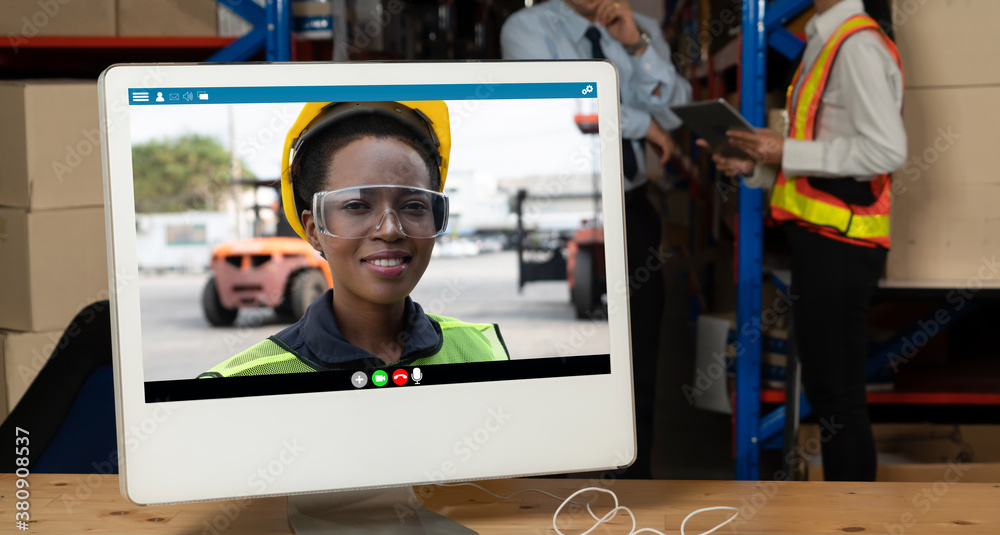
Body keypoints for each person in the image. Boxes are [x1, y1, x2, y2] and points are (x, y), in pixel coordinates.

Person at [707, 0, 905, 481]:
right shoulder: (824, 39)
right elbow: (824, 162)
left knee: (839, 398)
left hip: (843, 245)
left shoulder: (855, 44)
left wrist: (783, 148)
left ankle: (854, 528)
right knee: (829, 393)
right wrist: (758, 166)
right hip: (822, 242)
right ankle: (848, 524)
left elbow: (887, 149)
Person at [501, 0, 692, 479]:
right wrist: (638, 123)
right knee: (561, 358)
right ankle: (550, 478)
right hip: (570, 204)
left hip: (630, 206)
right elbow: (560, 104)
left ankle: (635, 478)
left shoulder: (641, 29)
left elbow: (675, 108)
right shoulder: (526, 28)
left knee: (640, 351)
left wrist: (636, 45)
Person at [199, 101, 509, 378]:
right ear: (314, 229)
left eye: (414, 205)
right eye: (356, 205)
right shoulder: (238, 384)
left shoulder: (482, 351)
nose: (389, 230)